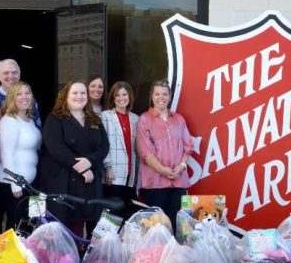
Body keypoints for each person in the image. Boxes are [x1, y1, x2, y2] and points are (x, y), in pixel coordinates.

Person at [38, 80, 109, 236]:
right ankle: (60, 258)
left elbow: (104, 147)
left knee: (80, 221)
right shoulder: (55, 118)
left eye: (83, 93)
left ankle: (76, 255)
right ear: (66, 96)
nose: (79, 96)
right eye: (75, 93)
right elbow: (56, 148)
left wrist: (90, 162)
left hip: (87, 182)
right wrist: (83, 168)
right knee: (59, 225)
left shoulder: (94, 119)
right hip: (61, 180)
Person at [137, 80, 194, 230]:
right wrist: (162, 170)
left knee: (180, 227)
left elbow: (188, 146)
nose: (160, 97)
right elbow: (145, 152)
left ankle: (177, 254)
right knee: (157, 228)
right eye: (157, 94)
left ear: (170, 96)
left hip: (178, 180)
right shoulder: (144, 120)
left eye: (164, 94)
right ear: (151, 96)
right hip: (154, 183)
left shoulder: (179, 119)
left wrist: (182, 165)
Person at [0, 81, 41, 233]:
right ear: (12, 98)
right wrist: (15, 184)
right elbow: (7, 153)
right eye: (19, 94)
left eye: (27, 93)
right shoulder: (9, 121)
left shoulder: (30, 121)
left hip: (29, 185)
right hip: (13, 186)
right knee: (15, 231)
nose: (24, 97)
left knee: (27, 228)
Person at [101, 81, 139, 217]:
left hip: (130, 174)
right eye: (117, 95)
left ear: (130, 97)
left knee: (127, 213)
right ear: (113, 98)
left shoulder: (136, 119)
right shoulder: (105, 116)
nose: (121, 98)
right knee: (111, 215)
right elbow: (102, 144)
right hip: (113, 173)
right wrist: (108, 167)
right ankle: (107, 239)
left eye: (124, 94)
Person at [0, 59, 42, 129]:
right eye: (6, 73)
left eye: (14, 72)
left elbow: (38, 128)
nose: (11, 76)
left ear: (19, 76)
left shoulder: (29, 100)